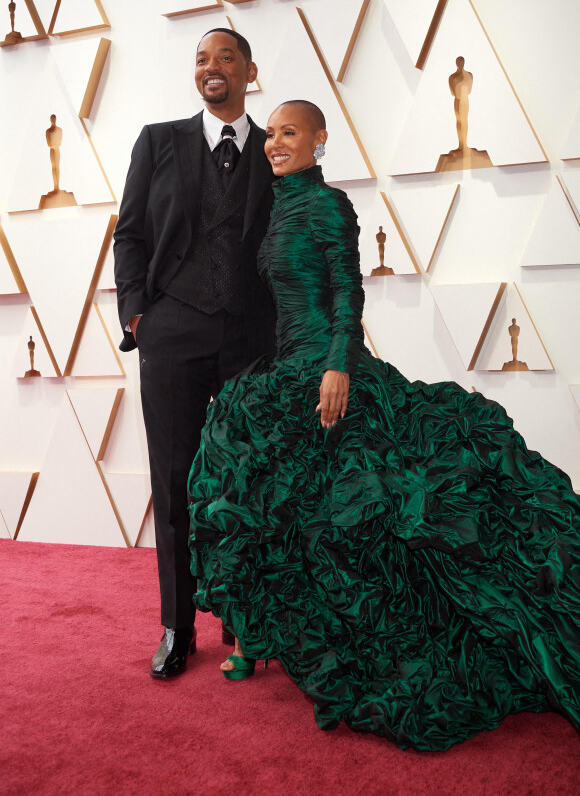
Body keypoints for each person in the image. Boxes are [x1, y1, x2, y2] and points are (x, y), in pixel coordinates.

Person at [188, 100, 580, 750]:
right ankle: (260, 637)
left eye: (291, 133)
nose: (276, 143)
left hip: (327, 371)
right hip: (287, 368)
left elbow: (348, 288)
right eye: (273, 134)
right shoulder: (277, 207)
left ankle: (317, 644)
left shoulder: (327, 205)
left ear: (320, 139)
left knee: (353, 517)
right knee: (254, 490)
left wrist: (339, 366)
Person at [113, 29, 276, 679]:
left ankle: (245, 620)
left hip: (252, 338)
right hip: (173, 331)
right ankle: (178, 629)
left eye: (226, 57)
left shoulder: (276, 148)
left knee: (249, 480)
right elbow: (130, 232)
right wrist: (136, 311)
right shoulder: (158, 141)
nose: (212, 68)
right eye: (202, 59)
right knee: (174, 480)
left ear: (249, 70)